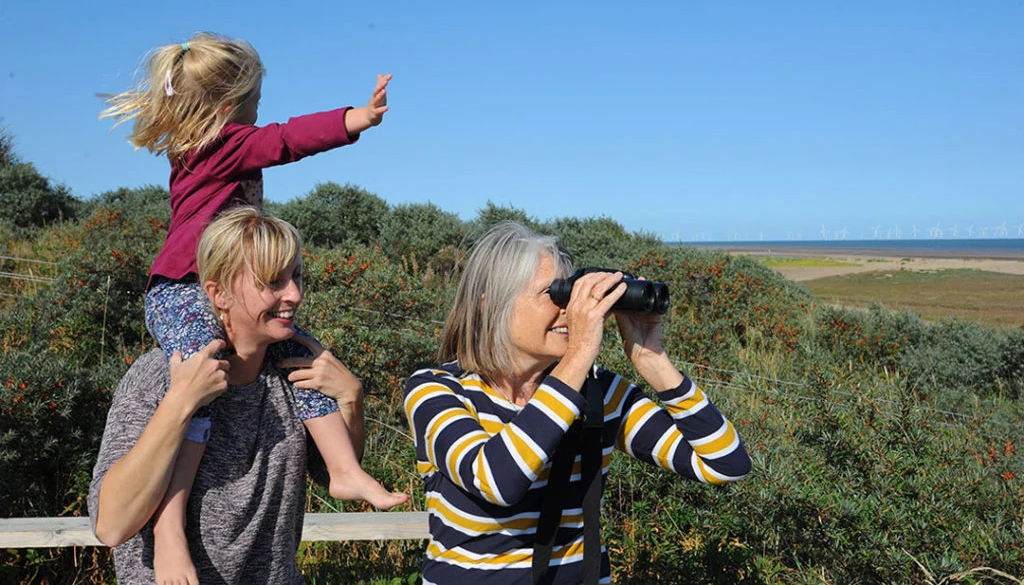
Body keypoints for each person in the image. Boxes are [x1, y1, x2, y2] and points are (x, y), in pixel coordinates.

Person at [99, 35, 407, 584]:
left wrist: (352, 398)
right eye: (255, 99)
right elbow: (284, 141)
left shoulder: (205, 150)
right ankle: (170, 531)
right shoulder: (219, 145)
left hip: (208, 285)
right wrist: (356, 118)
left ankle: (344, 470)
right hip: (181, 287)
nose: (260, 112)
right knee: (198, 385)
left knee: (301, 354)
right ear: (227, 105)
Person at [404, 222, 752, 584]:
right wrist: (580, 353)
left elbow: (726, 464)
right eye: (556, 295)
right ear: (490, 301)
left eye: (572, 296)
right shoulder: (436, 390)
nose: (570, 311)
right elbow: (497, 480)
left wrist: (652, 359)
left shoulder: (598, 393)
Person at [90, 207, 378, 583]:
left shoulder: (295, 375)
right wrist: (180, 402)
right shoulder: (156, 375)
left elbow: (333, 476)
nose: (293, 294)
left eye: (297, 277)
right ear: (218, 293)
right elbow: (112, 526)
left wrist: (352, 400)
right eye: (273, 281)